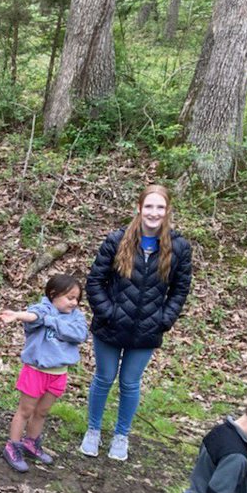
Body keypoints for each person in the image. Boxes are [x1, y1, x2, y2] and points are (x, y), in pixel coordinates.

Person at [82, 185, 193, 461]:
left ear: (167, 211)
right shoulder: (117, 240)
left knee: (130, 383)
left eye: (160, 207)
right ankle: (93, 430)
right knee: (104, 377)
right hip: (110, 326)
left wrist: (163, 320)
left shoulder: (179, 247)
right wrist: (108, 312)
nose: (154, 213)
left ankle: (121, 435)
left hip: (147, 330)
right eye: (149, 206)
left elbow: (180, 289)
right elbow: (95, 281)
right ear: (139, 208)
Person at [0, 274, 88, 473]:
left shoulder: (76, 317)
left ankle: (31, 443)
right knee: (26, 410)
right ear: (54, 295)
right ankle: (12, 446)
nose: (74, 303)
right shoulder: (42, 308)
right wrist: (17, 315)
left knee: (42, 412)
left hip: (59, 373)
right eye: (70, 297)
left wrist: (52, 322)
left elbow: (80, 334)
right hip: (35, 371)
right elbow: (34, 316)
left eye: (77, 299)